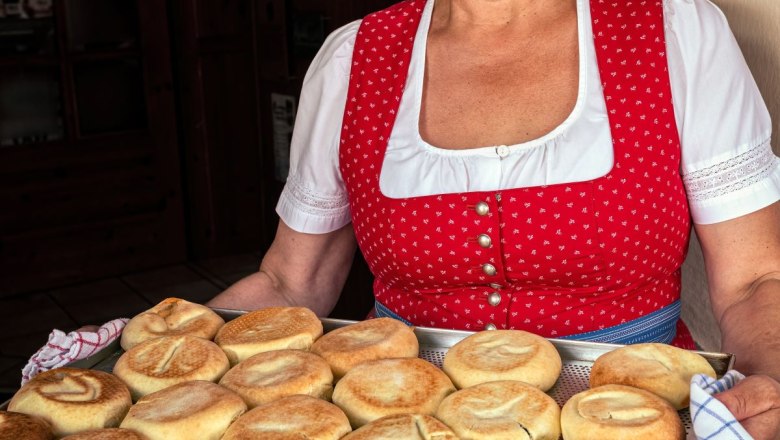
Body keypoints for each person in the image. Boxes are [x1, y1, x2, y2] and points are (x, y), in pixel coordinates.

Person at [208, 0, 780, 436]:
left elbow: (755, 279)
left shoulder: (675, 33)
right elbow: (291, 281)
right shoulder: (352, 58)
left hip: (632, 413)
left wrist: (773, 381)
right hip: (400, 415)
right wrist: (157, 347)